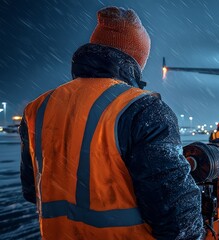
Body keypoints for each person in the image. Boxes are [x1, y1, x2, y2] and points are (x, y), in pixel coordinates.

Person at [19, 6, 203, 240]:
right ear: (136, 59)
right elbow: (177, 219)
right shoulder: (143, 109)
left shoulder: (38, 108)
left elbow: (31, 190)